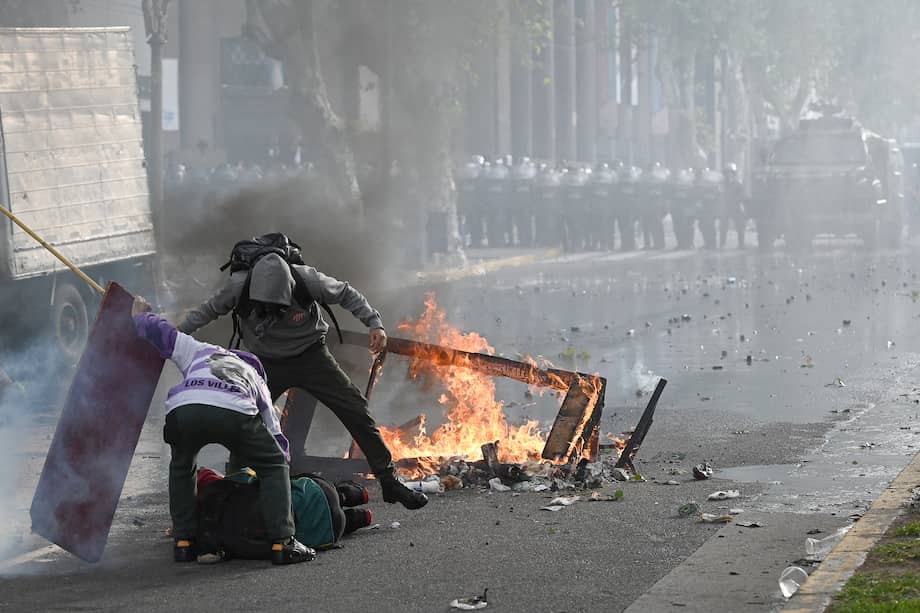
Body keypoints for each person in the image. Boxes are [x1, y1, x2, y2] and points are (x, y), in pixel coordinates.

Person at [176, 251, 428, 510]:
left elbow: (345, 293)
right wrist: (171, 336)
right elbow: (205, 312)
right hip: (264, 363)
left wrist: (375, 324)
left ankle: (389, 481)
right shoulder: (239, 287)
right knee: (246, 421)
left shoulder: (307, 280)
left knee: (355, 408)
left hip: (312, 356)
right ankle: (235, 489)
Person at [131, 296, 314, 565]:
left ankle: (184, 541)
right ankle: (283, 542)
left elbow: (163, 333)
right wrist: (282, 461)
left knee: (182, 465)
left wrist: (139, 316)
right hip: (233, 409)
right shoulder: (255, 377)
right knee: (273, 464)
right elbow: (275, 432)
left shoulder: (197, 349)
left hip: (184, 408)